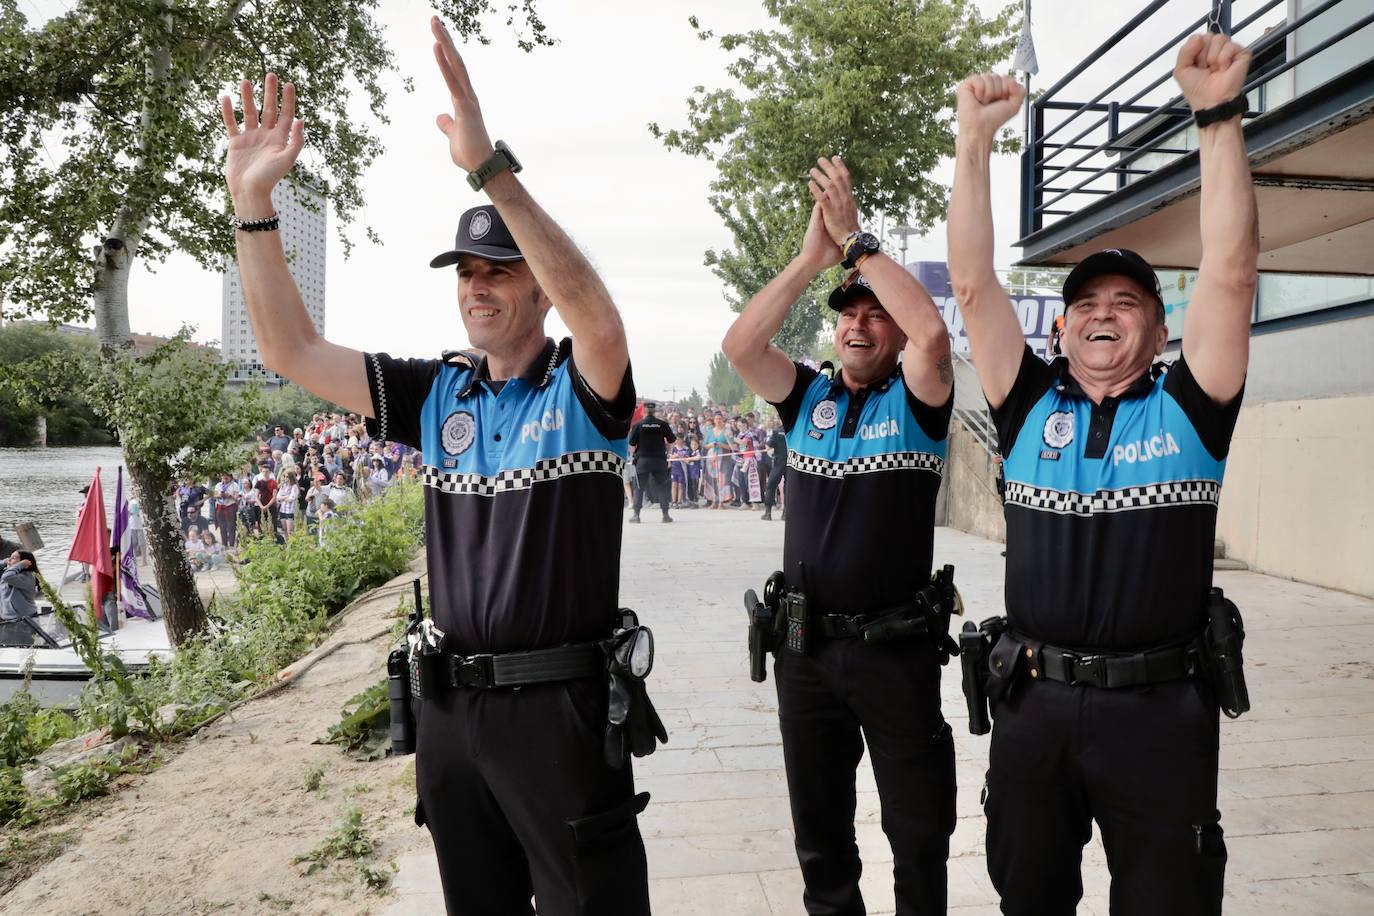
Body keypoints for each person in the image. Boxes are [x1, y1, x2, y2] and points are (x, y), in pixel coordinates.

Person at [220, 18, 655, 913]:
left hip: (561, 716)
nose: (477, 285)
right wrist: (252, 205)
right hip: (453, 718)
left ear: (538, 287)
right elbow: (289, 347)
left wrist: (489, 167)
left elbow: (601, 319)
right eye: (464, 270)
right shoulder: (437, 395)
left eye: (498, 268)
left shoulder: (581, 387)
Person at [947, 32, 1258, 915]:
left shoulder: (1189, 409)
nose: (1103, 315)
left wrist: (1217, 119)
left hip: (1160, 715)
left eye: (1128, 304)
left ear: (1160, 334)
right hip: (1033, 709)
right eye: (1085, 304)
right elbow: (972, 285)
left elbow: (1231, 275)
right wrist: (973, 141)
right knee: (1028, 901)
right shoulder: (1029, 407)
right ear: (1061, 330)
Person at [722, 155, 957, 914]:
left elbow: (930, 331)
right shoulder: (808, 398)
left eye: (873, 313)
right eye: (847, 313)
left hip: (895, 655)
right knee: (820, 838)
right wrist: (807, 261)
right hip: (806, 654)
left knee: (918, 833)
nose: (859, 323)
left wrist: (857, 240)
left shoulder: (918, 399)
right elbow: (741, 347)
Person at [628, 400, 675, 523]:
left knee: (638, 488)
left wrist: (634, 455)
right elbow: (671, 440)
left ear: (644, 411)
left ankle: (636, 515)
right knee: (663, 487)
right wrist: (668, 453)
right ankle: (665, 515)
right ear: (654, 411)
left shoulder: (638, 425)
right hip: (659, 460)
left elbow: (632, 444)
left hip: (642, 460)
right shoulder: (662, 424)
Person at [0, 550, 41, 647]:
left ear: (24, 562)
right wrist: (5, 562)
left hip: (23, 621)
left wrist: (20, 565)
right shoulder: (12, 573)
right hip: (9, 619)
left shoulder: (27, 577)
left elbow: (6, 577)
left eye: (14, 558)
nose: (9, 559)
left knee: (24, 650)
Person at [761, 414, 787, 521]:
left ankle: (768, 513)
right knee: (788, 488)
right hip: (791, 462)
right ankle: (785, 513)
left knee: (771, 486)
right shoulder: (794, 430)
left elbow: (769, 445)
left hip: (778, 462)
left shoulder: (777, 431)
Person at [213, 472, 241, 549]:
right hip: (220, 507)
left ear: (230, 477)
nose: (225, 479)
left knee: (231, 527)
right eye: (223, 477)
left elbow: (238, 498)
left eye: (226, 478)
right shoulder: (218, 485)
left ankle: (232, 545)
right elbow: (214, 495)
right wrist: (219, 495)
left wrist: (230, 496)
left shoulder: (234, 485)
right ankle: (224, 544)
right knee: (222, 527)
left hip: (230, 507)